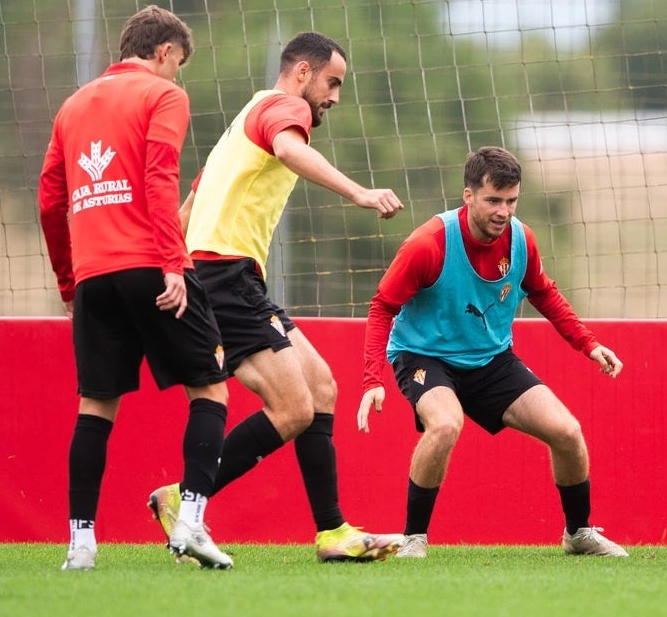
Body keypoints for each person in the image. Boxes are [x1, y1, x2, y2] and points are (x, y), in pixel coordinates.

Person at [145, 31, 408, 563]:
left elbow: (191, 203)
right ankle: (184, 498)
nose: (334, 97)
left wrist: (162, 267)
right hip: (224, 274)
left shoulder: (248, 116)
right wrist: (359, 192)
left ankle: (332, 532)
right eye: (332, 83)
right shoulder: (288, 109)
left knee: (322, 389)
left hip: (226, 275)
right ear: (303, 72)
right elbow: (289, 149)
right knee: (292, 408)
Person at [356, 146, 629, 558]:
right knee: (446, 425)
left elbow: (544, 293)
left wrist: (587, 343)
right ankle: (414, 539)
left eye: (511, 200)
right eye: (493, 201)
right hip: (423, 357)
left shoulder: (521, 239)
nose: (503, 211)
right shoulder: (428, 244)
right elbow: (382, 308)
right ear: (468, 196)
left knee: (568, 433)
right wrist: (373, 379)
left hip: (491, 361)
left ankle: (579, 534)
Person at [38, 5, 234, 571]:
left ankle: (80, 543)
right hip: (153, 266)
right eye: (179, 65)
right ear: (166, 52)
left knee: (95, 406)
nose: (178, 77)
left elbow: (50, 201)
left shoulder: (72, 106)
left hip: (95, 277)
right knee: (210, 389)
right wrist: (174, 263)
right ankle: (191, 522)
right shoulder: (162, 96)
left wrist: (69, 279)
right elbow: (158, 175)